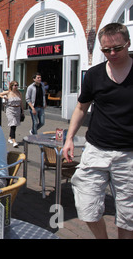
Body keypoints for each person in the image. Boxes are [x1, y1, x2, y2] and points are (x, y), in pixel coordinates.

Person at [62, 22, 133, 239]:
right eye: (106, 50)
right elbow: (82, 107)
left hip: (129, 154)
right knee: (87, 207)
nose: (112, 53)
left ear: (128, 43)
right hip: (96, 149)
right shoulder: (94, 74)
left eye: (117, 48)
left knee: (128, 215)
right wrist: (69, 138)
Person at [0, 81, 23, 148]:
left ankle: (10, 138)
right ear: (11, 86)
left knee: (14, 125)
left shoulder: (19, 93)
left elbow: (21, 102)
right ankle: (14, 140)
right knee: (13, 124)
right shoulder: (8, 92)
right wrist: (4, 97)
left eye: (17, 85)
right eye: (15, 85)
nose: (16, 86)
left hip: (17, 109)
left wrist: (22, 111)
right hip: (10, 109)